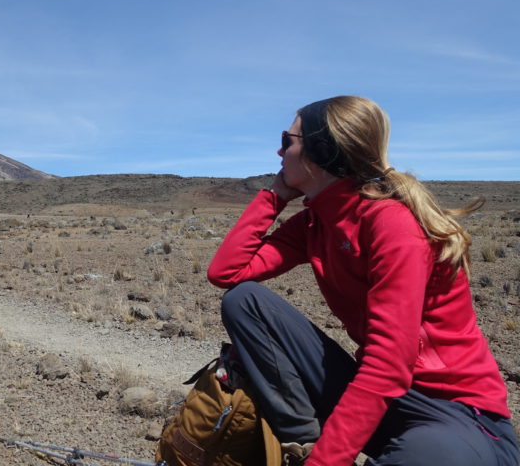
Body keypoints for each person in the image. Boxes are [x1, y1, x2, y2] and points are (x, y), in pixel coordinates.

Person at [207, 96, 518, 466]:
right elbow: (227, 273)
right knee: (244, 301)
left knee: (426, 456)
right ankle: (302, 443)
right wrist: (275, 196)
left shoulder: (390, 222)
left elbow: (389, 362)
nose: (279, 149)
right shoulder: (315, 222)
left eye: (288, 140)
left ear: (321, 150)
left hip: (455, 414)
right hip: (386, 400)